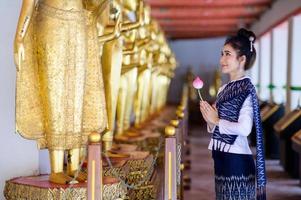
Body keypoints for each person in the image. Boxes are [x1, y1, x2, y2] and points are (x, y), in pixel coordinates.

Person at [199, 28, 266, 200]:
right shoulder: (224, 89)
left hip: (237, 160)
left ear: (242, 59)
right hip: (222, 156)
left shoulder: (247, 89)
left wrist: (217, 120)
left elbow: (244, 129)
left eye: (227, 54)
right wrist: (210, 120)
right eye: (222, 54)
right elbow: (217, 125)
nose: (222, 59)